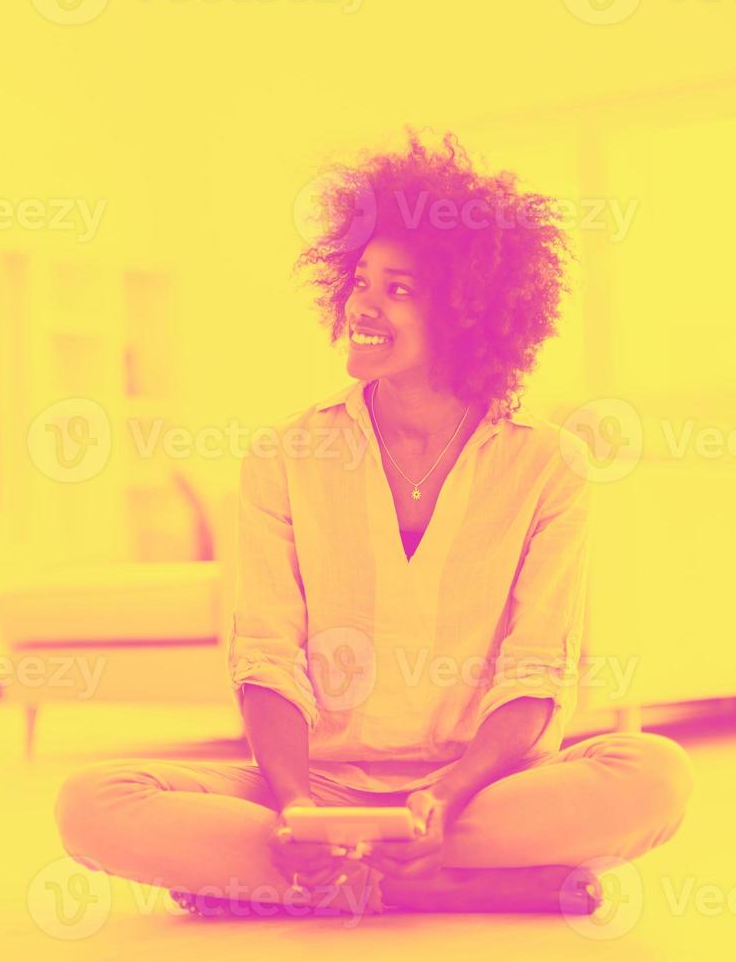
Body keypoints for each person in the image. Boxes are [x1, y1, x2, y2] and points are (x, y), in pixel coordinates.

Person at [55, 130, 692, 917]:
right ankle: (456, 884)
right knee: (94, 801)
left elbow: (537, 672)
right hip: (314, 786)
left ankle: (327, 883)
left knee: (654, 777)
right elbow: (264, 658)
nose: (362, 304)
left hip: (481, 789)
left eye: (398, 288)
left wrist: (447, 796)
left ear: (467, 310)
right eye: (360, 281)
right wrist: (296, 809)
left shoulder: (547, 467)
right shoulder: (284, 456)